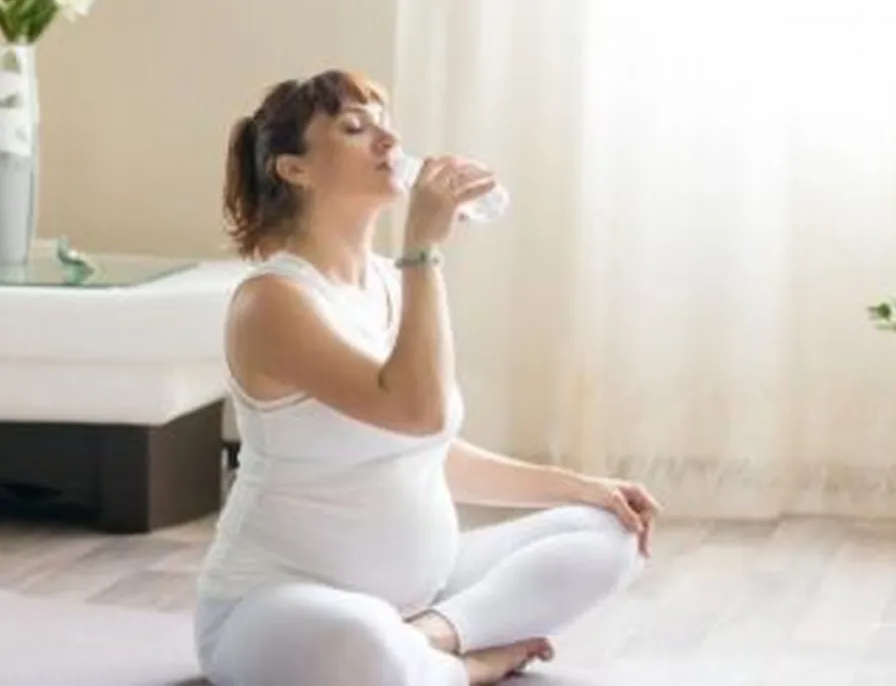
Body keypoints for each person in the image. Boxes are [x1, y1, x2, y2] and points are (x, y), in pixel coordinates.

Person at [193, 69, 660, 686]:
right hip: (281, 605)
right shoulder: (272, 301)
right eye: (354, 128)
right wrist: (423, 250)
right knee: (363, 645)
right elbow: (419, 411)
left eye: (386, 124)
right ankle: (460, 667)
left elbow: (433, 451)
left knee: (614, 532)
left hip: (423, 597)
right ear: (294, 169)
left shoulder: (394, 281)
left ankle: (430, 640)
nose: (387, 140)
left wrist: (585, 487)